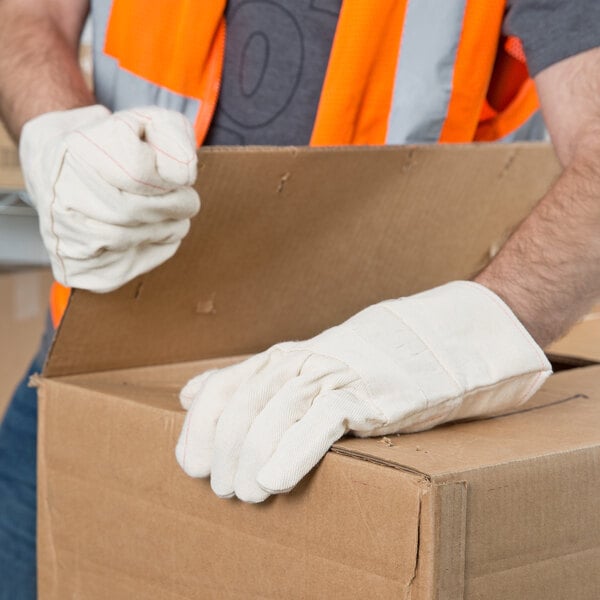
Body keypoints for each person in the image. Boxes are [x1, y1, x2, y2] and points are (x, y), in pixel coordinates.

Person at [1, 0, 599, 596]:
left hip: (353, 413)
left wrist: (463, 337)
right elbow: (28, 16)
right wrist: (55, 128)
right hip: (95, 360)